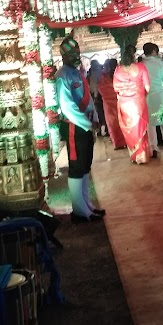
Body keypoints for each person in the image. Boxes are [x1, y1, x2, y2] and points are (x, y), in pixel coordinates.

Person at [55, 37, 105, 223]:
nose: (76, 56)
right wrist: (87, 123)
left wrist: (95, 119)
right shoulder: (62, 76)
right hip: (73, 126)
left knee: (85, 166)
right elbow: (67, 107)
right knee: (77, 167)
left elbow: (88, 98)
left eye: (77, 52)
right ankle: (79, 212)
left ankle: (86, 206)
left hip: (84, 125)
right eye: (72, 53)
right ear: (64, 56)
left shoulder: (77, 73)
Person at [113, 44, 151, 164]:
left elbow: (115, 88)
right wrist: (141, 95)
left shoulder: (118, 70)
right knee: (140, 128)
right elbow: (148, 87)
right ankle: (142, 156)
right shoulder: (141, 67)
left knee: (129, 130)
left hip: (124, 104)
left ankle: (134, 155)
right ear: (134, 55)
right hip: (138, 102)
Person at [141, 42, 163, 154]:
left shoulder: (141, 65)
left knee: (150, 123)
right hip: (162, 95)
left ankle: (153, 148)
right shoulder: (161, 63)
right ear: (153, 51)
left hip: (146, 96)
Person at [97, 59, 126, 150]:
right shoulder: (120, 74)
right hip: (121, 101)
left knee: (112, 123)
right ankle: (126, 141)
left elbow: (101, 89)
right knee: (123, 121)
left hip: (108, 103)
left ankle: (117, 143)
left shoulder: (104, 77)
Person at [87, 59, 107, 136]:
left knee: (99, 112)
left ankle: (100, 130)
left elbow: (96, 85)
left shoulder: (96, 72)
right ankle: (101, 129)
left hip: (97, 94)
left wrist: (95, 96)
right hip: (97, 93)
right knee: (99, 112)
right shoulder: (96, 71)